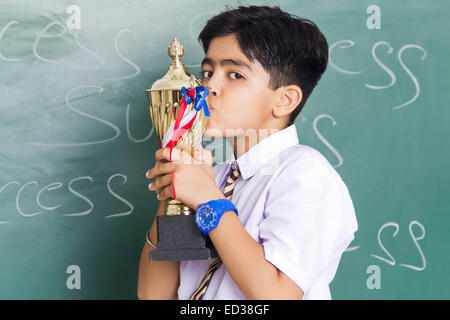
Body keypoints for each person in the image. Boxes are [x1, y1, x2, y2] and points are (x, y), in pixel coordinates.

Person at [138, 5, 358, 300]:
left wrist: (208, 200)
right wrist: (174, 200)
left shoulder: (305, 174)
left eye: (235, 75)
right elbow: (155, 295)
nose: (208, 86)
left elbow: (276, 296)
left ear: (284, 100)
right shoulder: (213, 176)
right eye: (207, 71)